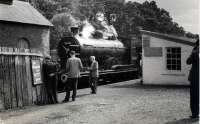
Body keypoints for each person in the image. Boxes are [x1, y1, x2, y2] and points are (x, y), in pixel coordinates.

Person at [186, 38, 199, 119]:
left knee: (194, 96)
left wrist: (193, 51)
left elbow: (188, 61)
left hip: (196, 78)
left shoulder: (195, 52)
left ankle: (195, 113)